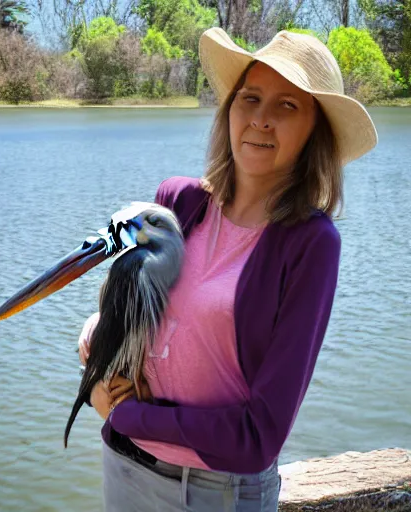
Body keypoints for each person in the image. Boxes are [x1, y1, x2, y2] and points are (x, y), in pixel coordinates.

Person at [78, 27, 378, 512]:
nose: (260, 119)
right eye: (250, 98)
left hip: (214, 492)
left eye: (287, 106)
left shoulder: (310, 244)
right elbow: (134, 321)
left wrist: (129, 416)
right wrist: (95, 356)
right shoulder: (178, 201)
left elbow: (258, 436)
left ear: (314, 131)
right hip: (125, 467)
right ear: (229, 109)